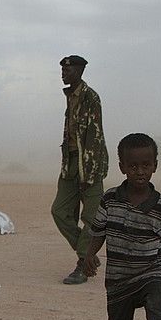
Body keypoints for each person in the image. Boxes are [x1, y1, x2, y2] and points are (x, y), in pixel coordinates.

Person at [79, 133, 161, 320]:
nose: (140, 171)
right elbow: (99, 232)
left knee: (158, 309)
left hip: (152, 269)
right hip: (119, 277)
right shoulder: (110, 199)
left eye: (146, 165)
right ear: (122, 167)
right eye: (133, 166)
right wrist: (89, 254)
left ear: (155, 166)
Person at [51, 55, 108, 285]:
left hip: (90, 163)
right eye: (63, 70)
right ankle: (87, 254)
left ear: (80, 71)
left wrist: (89, 173)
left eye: (69, 70)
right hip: (71, 163)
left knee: (92, 216)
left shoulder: (90, 97)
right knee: (59, 211)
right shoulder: (70, 98)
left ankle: (84, 264)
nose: (64, 74)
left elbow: (94, 136)